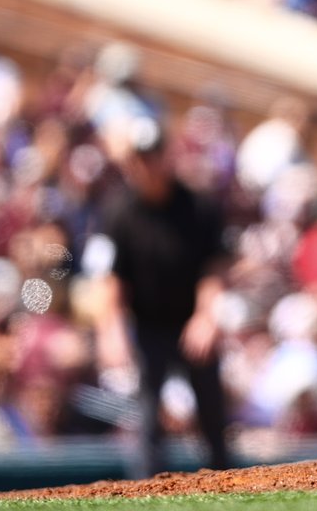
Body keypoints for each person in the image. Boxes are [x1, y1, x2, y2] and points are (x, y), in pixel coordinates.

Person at [96, 116, 232, 477]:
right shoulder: (119, 211)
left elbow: (213, 270)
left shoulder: (199, 207)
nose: (144, 165)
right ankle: (146, 492)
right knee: (148, 419)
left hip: (191, 321)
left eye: (151, 155)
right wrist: (111, 330)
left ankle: (226, 488)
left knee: (212, 418)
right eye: (137, 158)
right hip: (148, 326)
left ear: (166, 156)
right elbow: (111, 279)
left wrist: (206, 317)